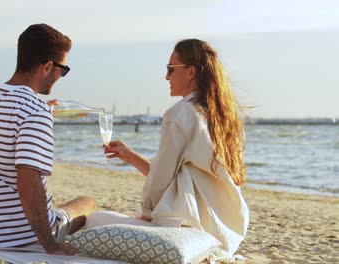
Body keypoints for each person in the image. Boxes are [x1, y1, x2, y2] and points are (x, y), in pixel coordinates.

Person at [95, 39, 249, 259]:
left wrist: (147, 214)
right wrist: (131, 157)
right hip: (222, 234)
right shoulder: (225, 119)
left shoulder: (180, 113)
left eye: (170, 69)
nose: (166, 77)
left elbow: (161, 181)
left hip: (185, 229)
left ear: (191, 72)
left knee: (93, 220)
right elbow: (172, 176)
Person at [0, 24, 96, 255]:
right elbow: (28, 183)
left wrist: (40, 113)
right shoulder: (34, 110)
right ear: (48, 66)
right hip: (22, 237)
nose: (61, 76)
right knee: (86, 202)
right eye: (63, 69)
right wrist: (50, 245)